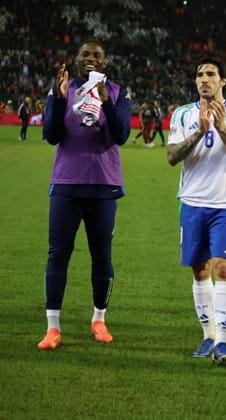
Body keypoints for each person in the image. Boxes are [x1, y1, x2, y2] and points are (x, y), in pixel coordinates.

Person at [38, 39, 131, 350]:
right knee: (58, 254)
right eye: (85, 54)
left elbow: (121, 135)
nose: (91, 58)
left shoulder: (118, 91)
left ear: (104, 63)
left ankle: (99, 319)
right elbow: (50, 135)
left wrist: (105, 102)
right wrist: (61, 99)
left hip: (104, 185)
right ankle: (53, 328)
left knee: (101, 258)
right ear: (76, 60)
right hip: (66, 182)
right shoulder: (60, 88)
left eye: (97, 55)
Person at [167, 55, 226, 366]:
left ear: (223, 80)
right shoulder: (182, 114)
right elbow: (172, 156)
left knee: (223, 269)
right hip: (191, 203)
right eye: (200, 74)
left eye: (211, 74)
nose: (204, 79)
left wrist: (220, 128)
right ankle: (207, 335)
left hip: (225, 205)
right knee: (199, 270)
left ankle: (222, 342)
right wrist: (198, 132)